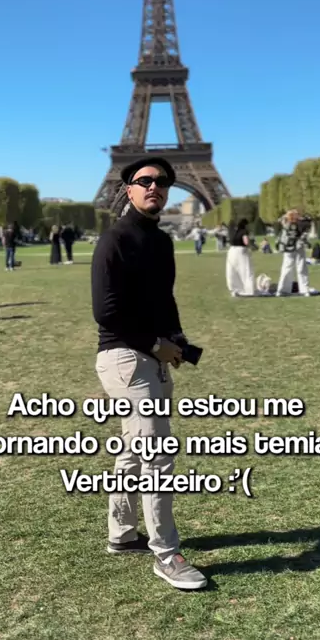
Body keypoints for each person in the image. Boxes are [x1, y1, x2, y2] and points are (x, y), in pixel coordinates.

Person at [91, 155, 207, 592]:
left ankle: (122, 533)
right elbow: (106, 312)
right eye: (144, 180)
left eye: (161, 181)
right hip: (125, 357)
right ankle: (166, 554)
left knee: (133, 449)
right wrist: (156, 345)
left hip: (150, 355)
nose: (154, 186)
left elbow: (164, 298)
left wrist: (177, 340)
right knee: (157, 455)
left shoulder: (161, 242)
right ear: (129, 189)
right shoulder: (114, 239)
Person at [276, 210, 310, 296]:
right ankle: (304, 290)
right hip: (297, 247)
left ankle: (283, 290)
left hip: (289, 247)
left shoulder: (287, 223)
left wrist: (288, 215)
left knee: (287, 268)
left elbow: (280, 219)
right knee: (300, 269)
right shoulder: (301, 223)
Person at [226, 218, 257, 297]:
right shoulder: (244, 231)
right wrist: (252, 245)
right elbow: (246, 242)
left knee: (233, 271)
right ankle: (248, 290)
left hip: (231, 251)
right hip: (241, 251)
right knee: (246, 270)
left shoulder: (233, 231)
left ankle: (235, 289)